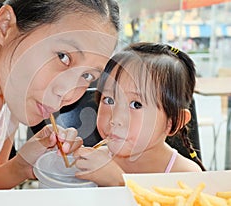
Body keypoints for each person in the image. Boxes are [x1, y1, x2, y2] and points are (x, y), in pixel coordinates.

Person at [0, 0, 120, 200]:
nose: (68, 94)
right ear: (4, 26)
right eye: (63, 56)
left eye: (88, 76)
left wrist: (21, 166)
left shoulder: (12, 90)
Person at [73, 42, 205, 187]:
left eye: (136, 105)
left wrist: (119, 183)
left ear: (173, 121)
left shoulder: (186, 176)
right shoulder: (94, 163)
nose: (115, 119)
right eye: (109, 100)